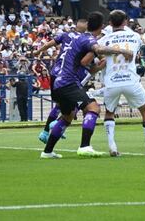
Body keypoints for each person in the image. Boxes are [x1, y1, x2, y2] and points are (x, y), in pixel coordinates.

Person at [42, 12, 132, 159]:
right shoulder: (88, 39)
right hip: (68, 81)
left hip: (56, 82)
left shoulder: (73, 35)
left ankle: (47, 152)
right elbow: (96, 52)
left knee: (67, 117)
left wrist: (39, 51)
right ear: (101, 26)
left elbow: (83, 63)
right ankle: (85, 146)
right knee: (93, 108)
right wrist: (121, 50)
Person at [99, 10, 145, 156]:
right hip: (131, 80)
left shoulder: (104, 40)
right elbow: (142, 45)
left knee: (109, 112)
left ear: (110, 23)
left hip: (112, 81)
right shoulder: (135, 36)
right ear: (126, 22)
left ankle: (112, 146)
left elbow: (99, 55)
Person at [36, 18, 87, 144]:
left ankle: (46, 131)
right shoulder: (84, 39)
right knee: (78, 102)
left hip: (55, 73)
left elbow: (50, 43)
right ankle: (57, 124)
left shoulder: (66, 34)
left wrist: (39, 51)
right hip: (70, 75)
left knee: (60, 103)